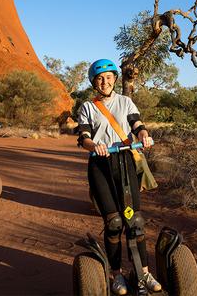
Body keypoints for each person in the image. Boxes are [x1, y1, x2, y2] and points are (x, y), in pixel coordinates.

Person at [77, 59, 161, 294]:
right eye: (100, 78)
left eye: (109, 77)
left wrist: (144, 135)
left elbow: (137, 124)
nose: (105, 82)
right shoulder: (88, 107)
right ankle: (117, 276)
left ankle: (143, 273)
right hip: (100, 165)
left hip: (124, 160)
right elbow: (83, 136)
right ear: (94, 82)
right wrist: (94, 146)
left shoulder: (125, 102)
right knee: (113, 223)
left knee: (135, 221)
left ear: (115, 79)